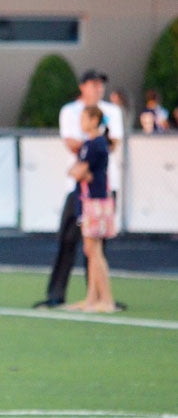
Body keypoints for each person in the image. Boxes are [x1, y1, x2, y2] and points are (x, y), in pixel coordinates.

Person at [34, 69, 123, 309]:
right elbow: (74, 143)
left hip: (99, 192)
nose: (98, 89)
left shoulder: (110, 114)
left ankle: (100, 296)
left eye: (100, 85)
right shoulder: (70, 110)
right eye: (93, 84)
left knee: (95, 248)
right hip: (80, 191)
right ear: (83, 86)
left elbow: (109, 145)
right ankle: (64, 293)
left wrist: (90, 149)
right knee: (70, 241)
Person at [63, 105, 117, 313]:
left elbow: (79, 171)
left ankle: (107, 300)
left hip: (96, 201)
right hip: (87, 200)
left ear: (95, 120)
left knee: (95, 251)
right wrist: (79, 172)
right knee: (89, 250)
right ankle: (91, 299)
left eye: (84, 117)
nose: (81, 122)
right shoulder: (89, 144)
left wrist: (80, 172)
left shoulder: (97, 144)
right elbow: (76, 170)